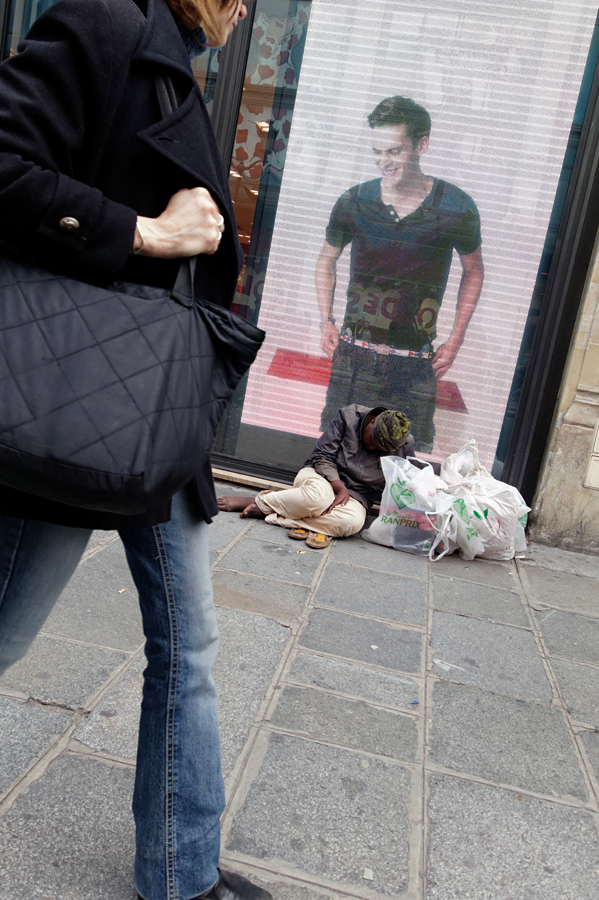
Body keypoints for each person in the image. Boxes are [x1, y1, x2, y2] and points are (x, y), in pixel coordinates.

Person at [0, 2, 272, 899]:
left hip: (148, 414)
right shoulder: (102, 23)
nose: (245, 6)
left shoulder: (171, 59)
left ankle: (180, 876)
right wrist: (142, 233)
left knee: (189, 645)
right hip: (69, 407)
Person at [317, 96, 485, 452]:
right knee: (336, 457)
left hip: (412, 367)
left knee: (401, 471)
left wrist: (455, 340)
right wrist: (326, 320)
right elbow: (326, 261)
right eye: (377, 151)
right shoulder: (354, 201)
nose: (383, 161)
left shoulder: (455, 206)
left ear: (421, 145)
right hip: (355, 359)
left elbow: (473, 272)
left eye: (394, 151)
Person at [218, 406, 413, 547]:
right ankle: (257, 501)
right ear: (372, 421)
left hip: (358, 496)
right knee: (317, 498)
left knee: (351, 523)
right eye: (371, 441)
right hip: (322, 476)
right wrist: (339, 486)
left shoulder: (403, 444)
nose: (372, 448)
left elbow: (401, 482)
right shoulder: (348, 417)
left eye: (379, 450)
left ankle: (274, 513)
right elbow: (321, 455)